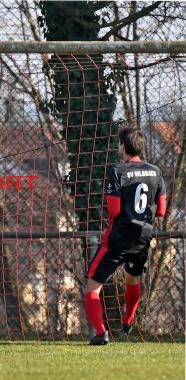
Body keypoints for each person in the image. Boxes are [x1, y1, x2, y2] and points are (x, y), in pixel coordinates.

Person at [84, 126, 166, 345]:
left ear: (123, 146)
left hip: (118, 238)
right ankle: (128, 321)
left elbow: (113, 210)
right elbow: (161, 210)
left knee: (92, 287)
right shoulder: (155, 171)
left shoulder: (118, 170)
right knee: (132, 279)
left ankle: (101, 333)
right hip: (142, 237)